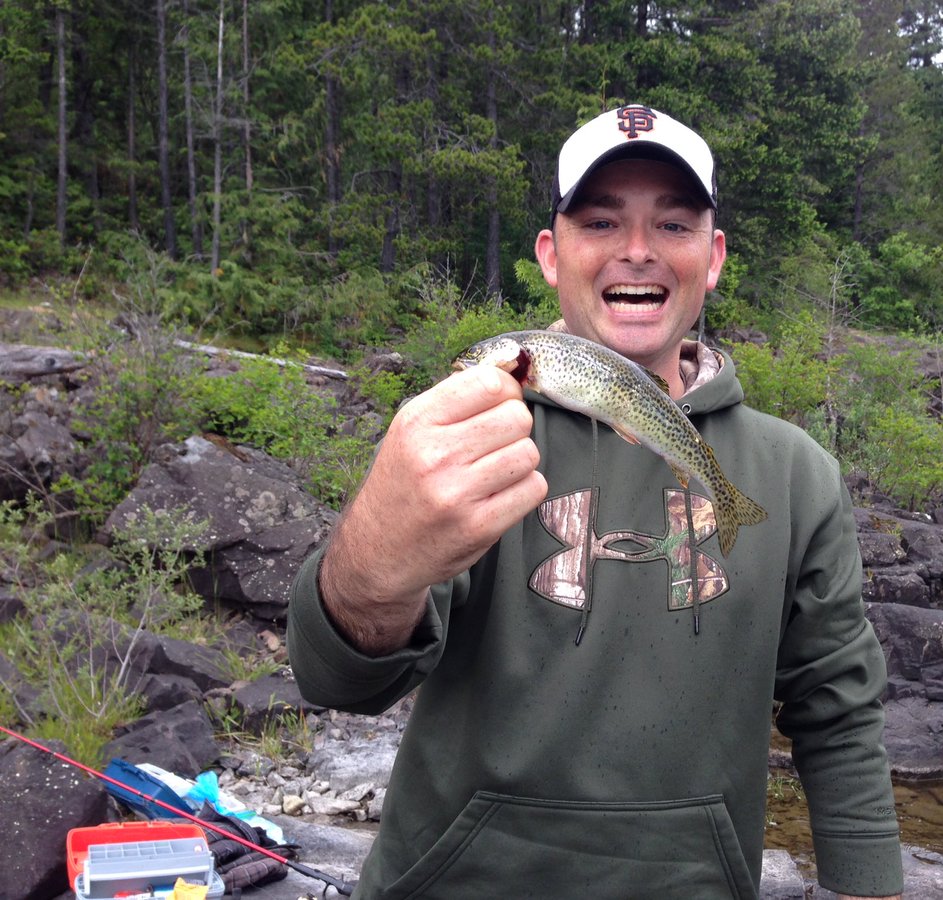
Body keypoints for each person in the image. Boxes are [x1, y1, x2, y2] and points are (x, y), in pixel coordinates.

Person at [287, 104, 904, 899]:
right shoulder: (473, 435)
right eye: (601, 221)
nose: (637, 250)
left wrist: (868, 883)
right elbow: (340, 682)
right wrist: (372, 558)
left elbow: (839, 709)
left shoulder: (797, 473)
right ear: (551, 254)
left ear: (713, 258)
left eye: (673, 225)